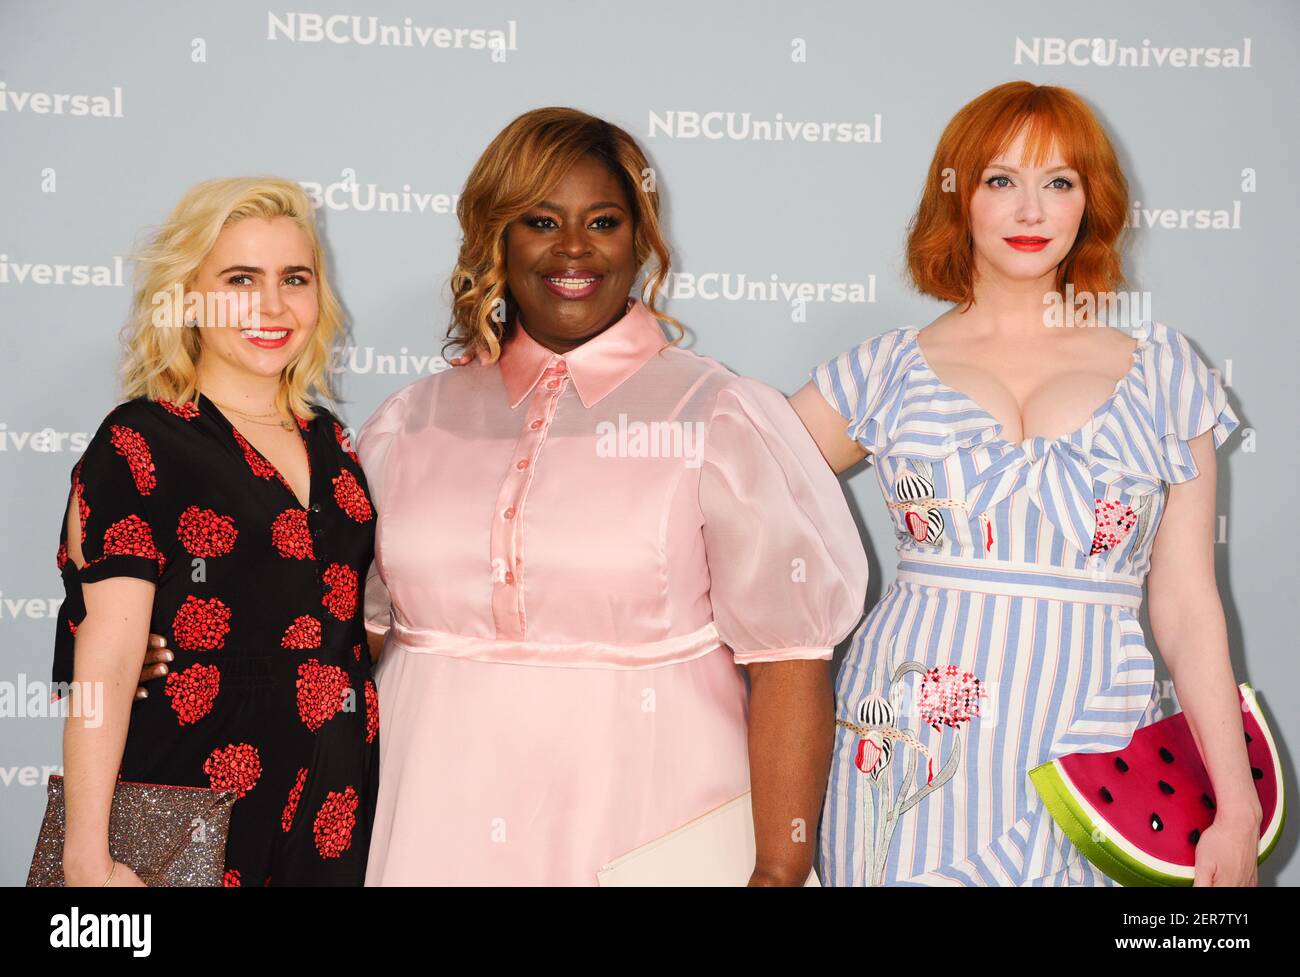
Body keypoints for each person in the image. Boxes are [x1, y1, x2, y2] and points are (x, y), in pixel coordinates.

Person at [356, 107, 869, 885]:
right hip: (432, 821)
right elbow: (351, 637)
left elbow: (789, 660)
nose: (573, 248)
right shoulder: (409, 420)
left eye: (603, 221)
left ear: (639, 239)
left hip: (649, 821)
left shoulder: (718, 414)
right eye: (540, 220)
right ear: (497, 236)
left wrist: (779, 866)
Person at [790, 81, 1260, 886]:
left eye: (1059, 182)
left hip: (1100, 742)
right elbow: (734, 496)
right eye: (1001, 180)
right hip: (910, 750)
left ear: (1090, 202)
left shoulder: (1167, 374)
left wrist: (1237, 801)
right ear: (959, 196)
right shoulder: (882, 371)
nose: (1031, 210)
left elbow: (1187, 606)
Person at [55, 177, 379, 887]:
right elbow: (104, 665)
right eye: (240, 279)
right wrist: (85, 857)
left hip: (330, 816)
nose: (271, 306)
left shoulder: (336, 447)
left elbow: (355, 622)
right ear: (188, 296)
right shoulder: (141, 442)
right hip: (185, 816)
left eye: (295, 278)